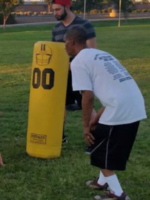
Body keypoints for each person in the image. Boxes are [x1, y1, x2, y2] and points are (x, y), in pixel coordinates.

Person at [64, 26, 147, 200]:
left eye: (65, 43)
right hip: (133, 104)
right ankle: (102, 182)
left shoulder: (78, 61)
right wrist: (97, 118)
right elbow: (112, 90)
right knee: (103, 146)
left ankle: (118, 194)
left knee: (99, 151)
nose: (65, 47)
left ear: (71, 42)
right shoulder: (101, 54)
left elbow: (87, 96)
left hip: (120, 110)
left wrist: (86, 126)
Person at [51, 0, 97, 153]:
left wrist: (74, 66)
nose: (55, 13)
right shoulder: (56, 29)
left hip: (80, 72)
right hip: (62, 75)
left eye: (57, 9)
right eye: (53, 10)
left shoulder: (84, 25)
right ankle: (59, 135)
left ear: (67, 7)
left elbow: (91, 50)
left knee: (87, 105)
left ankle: (95, 140)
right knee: (59, 105)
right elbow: (55, 52)